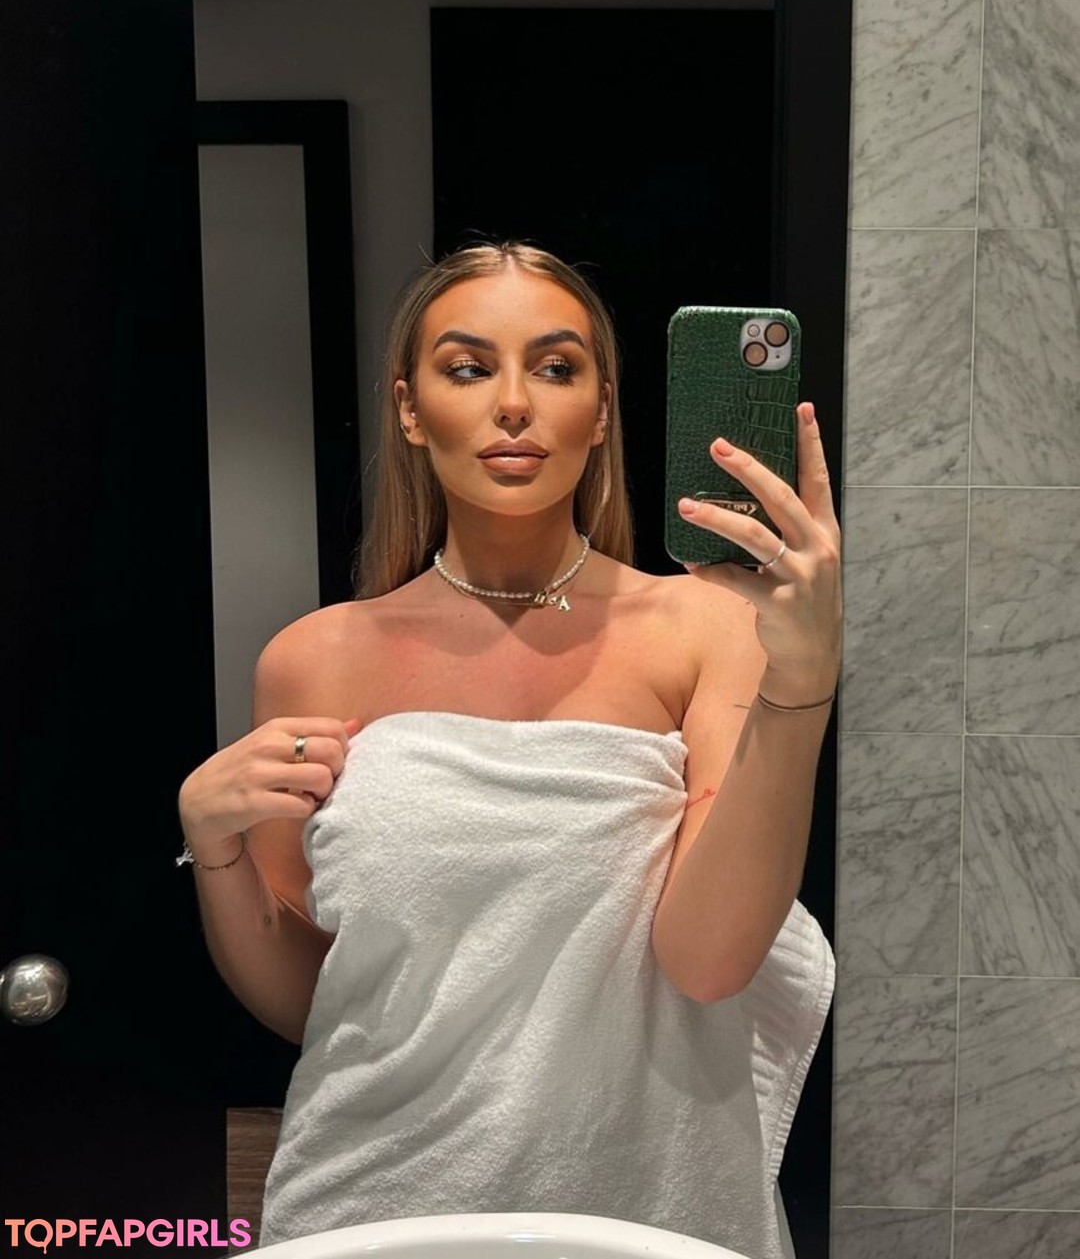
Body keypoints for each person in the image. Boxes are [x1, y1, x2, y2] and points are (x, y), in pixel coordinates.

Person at [177, 241, 841, 1259]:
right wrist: (213, 846)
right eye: (469, 366)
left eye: (557, 366)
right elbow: (319, 1000)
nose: (516, 404)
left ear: (602, 411)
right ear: (410, 409)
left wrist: (802, 681)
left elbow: (709, 961)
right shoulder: (314, 659)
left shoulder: (708, 629)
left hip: (639, 1214)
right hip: (375, 1205)